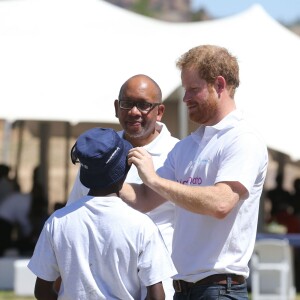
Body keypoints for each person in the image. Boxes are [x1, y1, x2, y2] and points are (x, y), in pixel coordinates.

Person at [121, 45, 269, 299]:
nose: (185, 98)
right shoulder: (188, 146)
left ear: (219, 85)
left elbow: (221, 204)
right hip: (184, 288)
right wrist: (104, 178)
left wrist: (155, 180)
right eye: (184, 89)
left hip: (220, 289)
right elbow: (145, 200)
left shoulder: (242, 139)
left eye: (193, 89)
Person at [28, 127, 177, 300]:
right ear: (125, 171)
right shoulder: (142, 225)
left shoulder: (58, 222)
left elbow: (42, 290)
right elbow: (157, 296)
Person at [67, 74, 179, 299]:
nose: (134, 112)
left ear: (160, 111)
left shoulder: (177, 154)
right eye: (127, 104)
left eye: (144, 105)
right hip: (98, 287)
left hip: (159, 288)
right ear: (117, 107)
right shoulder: (97, 151)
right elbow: (75, 213)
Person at [0, 165, 48, 256]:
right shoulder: (27, 202)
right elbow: (23, 220)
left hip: (5, 218)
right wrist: (30, 233)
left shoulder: (26, 199)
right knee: (4, 244)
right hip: (3, 220)